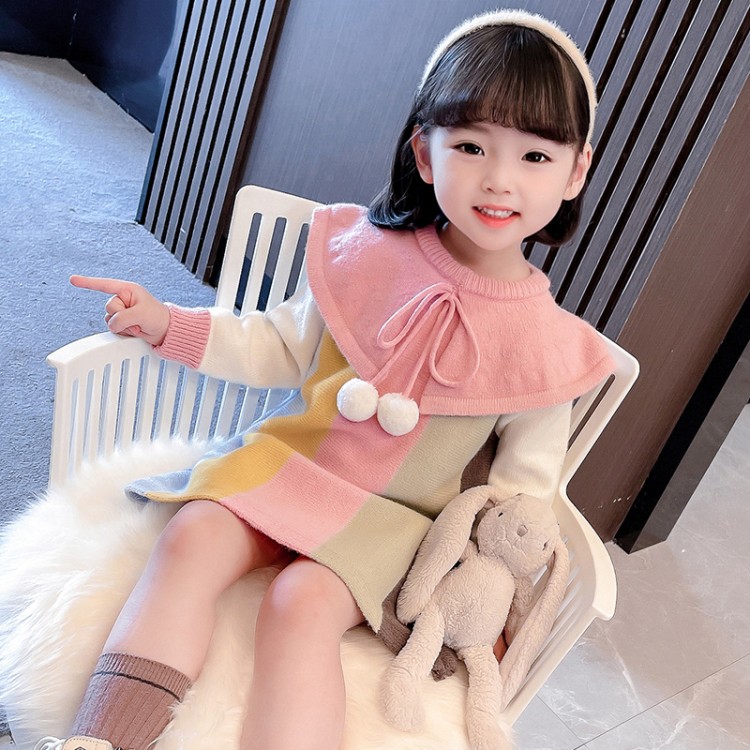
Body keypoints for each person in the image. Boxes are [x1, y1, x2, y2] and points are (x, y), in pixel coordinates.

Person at [36, 9, 613, 750]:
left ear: (576, 171)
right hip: (289, 462)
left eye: (534, 156)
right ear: (425, 153)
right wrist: (166, 323)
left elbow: (520, 498)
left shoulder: (549, 348)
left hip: (390, 523)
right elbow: (276, 343)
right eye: (470, 145)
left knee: (300, 604)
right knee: (192, 536)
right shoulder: (365, 253)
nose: (499, 179)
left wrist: (496, 600)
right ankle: (101, 740)